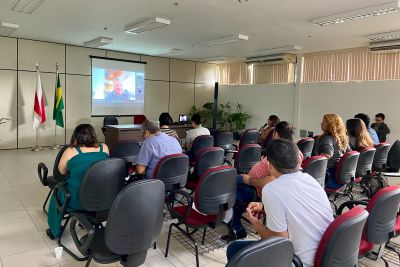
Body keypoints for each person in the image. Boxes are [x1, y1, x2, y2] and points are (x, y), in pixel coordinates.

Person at [226, 139, 333, 267]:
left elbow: (278, 242)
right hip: (327, 253)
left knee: (234, 250)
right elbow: (295, 205)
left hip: (299, 261)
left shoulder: (272, 189)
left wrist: (257, 225)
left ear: (269, 165)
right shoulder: (309, 179)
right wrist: (264, 206)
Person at [222, 121, 303, 242]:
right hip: (255, 183)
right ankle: (228, 219)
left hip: (256, 188)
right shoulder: (294, 151)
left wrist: (249, 180)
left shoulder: (280, 153)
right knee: (228, 180)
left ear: (276, 134)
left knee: (227, 186)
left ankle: (236, 228)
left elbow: (272, 180)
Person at [47, 124, 109, 239]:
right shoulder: (104, 148)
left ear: (76, 136)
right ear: (94, 135)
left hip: (76, 200)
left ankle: (53, 231)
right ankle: (87, 220)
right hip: (100, 198)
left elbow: (60, 174)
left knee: (56, 194)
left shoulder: (70, 151)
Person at [313, 114, 350, 189]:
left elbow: (327, 154)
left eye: (323, 122)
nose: (321, 124)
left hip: (328, 175)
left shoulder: (327, 138)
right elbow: (350, 153)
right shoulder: (342, 138)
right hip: (339, 174)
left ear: (330, 125)